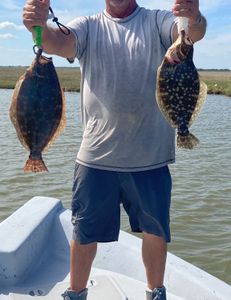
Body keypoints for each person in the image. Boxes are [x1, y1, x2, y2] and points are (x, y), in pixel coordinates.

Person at [23, 1, 206, 299]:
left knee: (155, 231)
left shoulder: (156, 21)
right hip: (96, 157)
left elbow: (190, 33)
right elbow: (58, 42)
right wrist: (38, 27)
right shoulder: (88, 25)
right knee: (83, 232)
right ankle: (76, 293)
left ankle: (154, 292)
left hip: (151, 157)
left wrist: (191, 16)